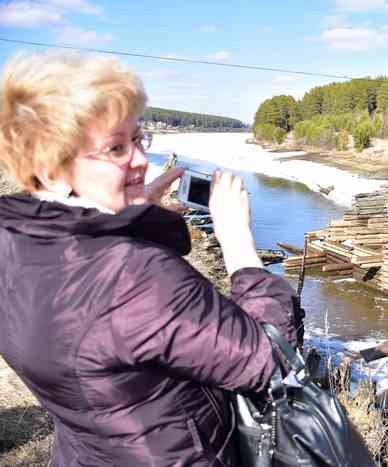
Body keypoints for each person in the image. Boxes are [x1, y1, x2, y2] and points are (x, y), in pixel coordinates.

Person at [0, 51, 302, 466]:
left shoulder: (15, 241)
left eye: (138, 139)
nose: (140, 159)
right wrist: (237, 244)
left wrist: (135, 216)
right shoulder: (134, 275)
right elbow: (273, 361)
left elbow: (100, 333)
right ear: (51, 169)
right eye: (116, 148)